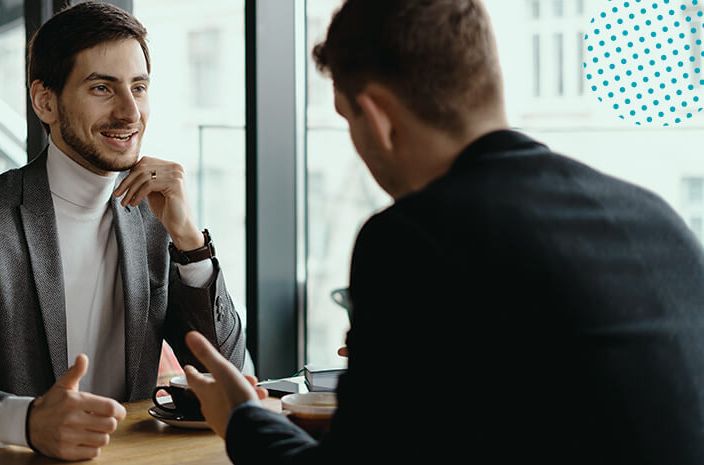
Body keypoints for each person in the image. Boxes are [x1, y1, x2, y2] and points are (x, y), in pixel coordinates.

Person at [183, 0, 704, 463]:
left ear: (377, 117)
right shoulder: (658, 220)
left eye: (347, 119)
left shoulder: (413, 238)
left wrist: (241, 418)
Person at [0, 2, 244, 461]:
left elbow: (227, 377)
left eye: (139, 87)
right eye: (101, 88)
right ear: (45, 101)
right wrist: (27, 421)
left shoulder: (157, 218)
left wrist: (190, 241)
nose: (130, 112)